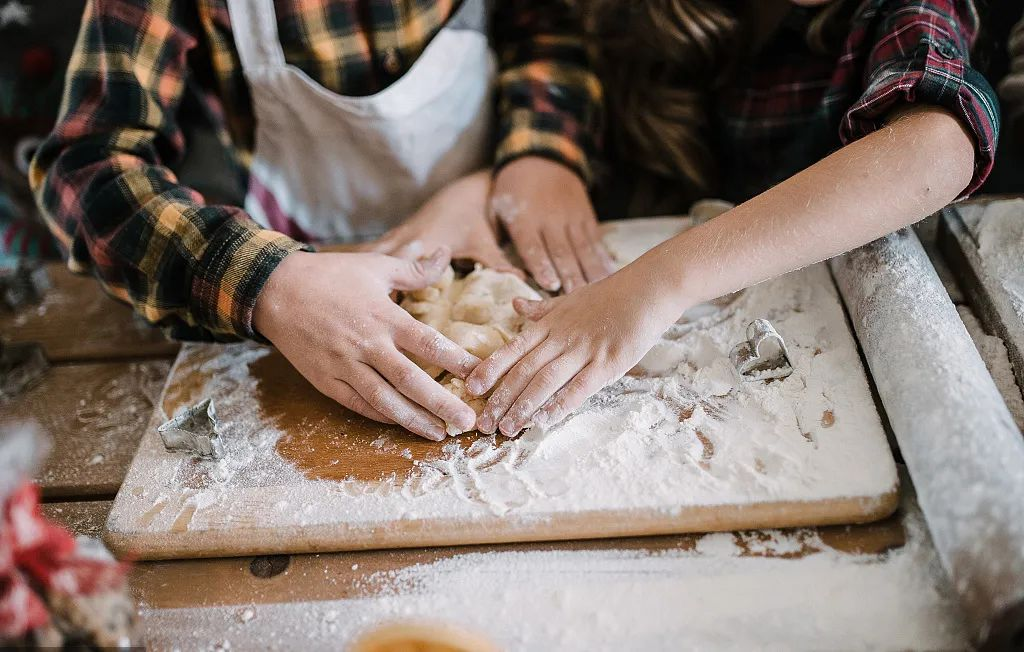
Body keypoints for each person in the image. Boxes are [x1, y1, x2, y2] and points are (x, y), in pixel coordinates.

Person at [30, 0, 608, 441]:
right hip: (308, 291)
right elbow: (86, 166)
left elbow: (545, 26)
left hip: (494, 214)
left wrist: (541, 150)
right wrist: (267, 283)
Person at [466, 0, 1000, 437]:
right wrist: (505, 170)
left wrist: (661, 282)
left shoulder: (899, 10)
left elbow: (937, 149)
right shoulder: (646, 17)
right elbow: (555, 63)